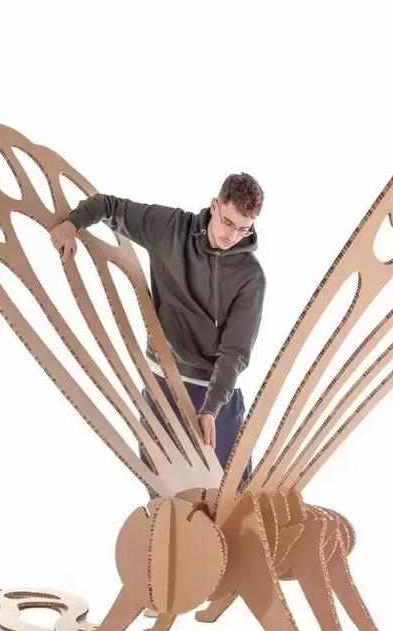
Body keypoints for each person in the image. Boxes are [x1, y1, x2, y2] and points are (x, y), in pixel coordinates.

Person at [49, 171, 266, 489]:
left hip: (215, 393)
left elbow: (235, 351)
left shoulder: (250, 276)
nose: (233, 235)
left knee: (233, 497)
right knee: (166, 496)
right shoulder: (170, 229)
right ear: (215, 206)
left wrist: (211, 408)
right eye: (228, 223)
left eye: (244, 229)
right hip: (164, 383)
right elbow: (109, 206)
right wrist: (73, 224)